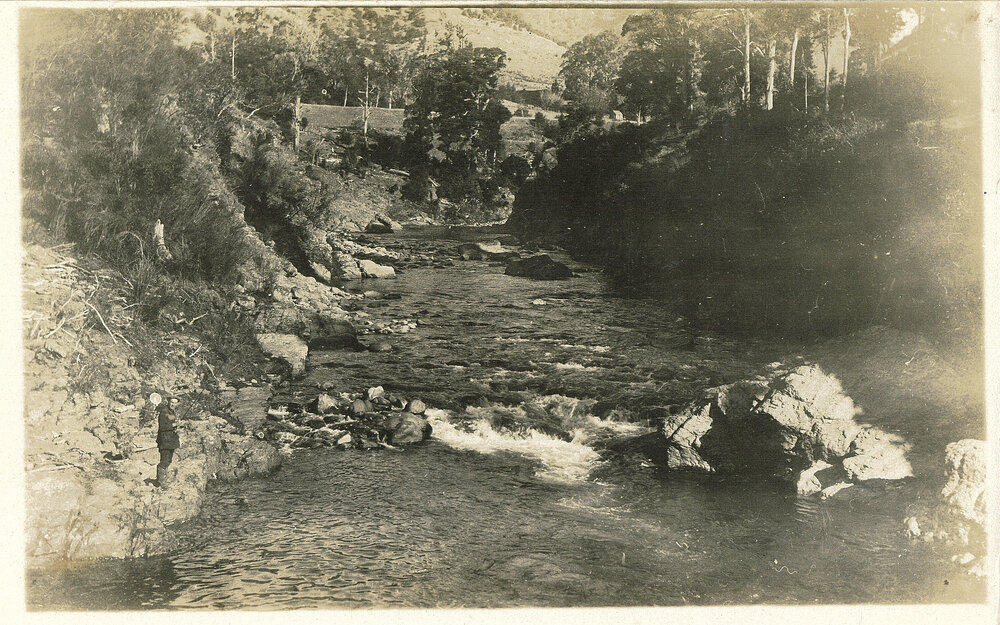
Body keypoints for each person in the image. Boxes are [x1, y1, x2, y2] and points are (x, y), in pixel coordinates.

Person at [151, 394, 181, 488]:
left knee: (168, 460)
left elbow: (171, 419)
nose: (173, 404)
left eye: (175, 403)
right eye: (171, 402)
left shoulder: (171, 412)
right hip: (165, 440)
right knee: (164, 461)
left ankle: (163, 480)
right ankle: (161, 482)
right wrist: (173, 425)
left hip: (170, 440)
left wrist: (176, 423)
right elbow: (163, 426)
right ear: (168, 402)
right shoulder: (164, 412)